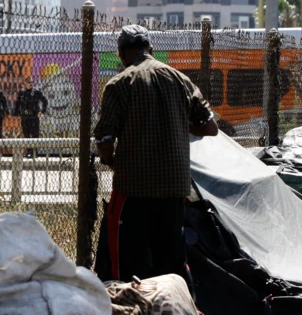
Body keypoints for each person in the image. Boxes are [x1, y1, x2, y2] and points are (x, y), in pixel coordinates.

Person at [93, 24, 219, 283]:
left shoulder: (119, 84)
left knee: (129, 262)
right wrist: (176, 121)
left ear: (121, 54)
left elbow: (104, 137)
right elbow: (210, 127)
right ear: (151, 49)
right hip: (173, 187)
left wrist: (111, 161)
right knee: (172, 261)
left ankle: (133, 311)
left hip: (133, 187)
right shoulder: (180, 80)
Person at [14, 77, 48, 157]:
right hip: (25, 117)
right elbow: (18, 104)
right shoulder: (21, 92)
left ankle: (35, 152)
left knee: (35, 135)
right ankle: (29, 152)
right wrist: (16, 113)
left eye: (31, 82)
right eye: (28, 82)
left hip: (34, 117)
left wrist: (42, 111)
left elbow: (45, 101)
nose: (30, 83)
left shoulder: (36, 92)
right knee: (26, 135)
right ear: (25, 83)